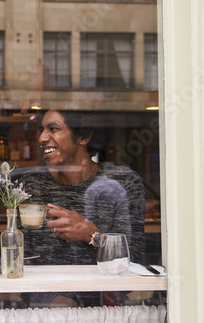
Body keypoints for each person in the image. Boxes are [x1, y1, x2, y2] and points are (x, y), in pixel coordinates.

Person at [19, 109, 146, 307]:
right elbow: (20, 260)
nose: (42, 138)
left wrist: (92, 236)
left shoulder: (122, 183)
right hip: (46, 312)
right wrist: (49, 299)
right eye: (42, 130)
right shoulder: (33, 184)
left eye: (53, 129)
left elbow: (135, 263)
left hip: (106, 310)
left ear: (84, 136)